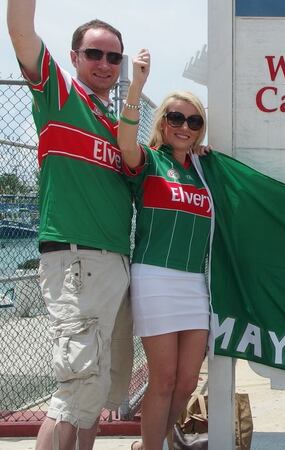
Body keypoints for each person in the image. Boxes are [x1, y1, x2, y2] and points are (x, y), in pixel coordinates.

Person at [7, 2, 134, 449]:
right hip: (76, 258)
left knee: (96, 392)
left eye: (113, 57)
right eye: (94, 54)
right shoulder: (60, 94)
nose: (104, 64)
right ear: (75, 56)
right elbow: (21, 31)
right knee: (75, 390)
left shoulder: (116, 124)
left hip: (114, 261)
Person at [117, 49, 213, 450]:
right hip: (154, 277)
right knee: (164, 378)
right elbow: (124, 143)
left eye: (193, 121)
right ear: (163, 122)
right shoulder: (150, 161)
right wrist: (136, 86)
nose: (184, 127)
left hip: (195, 282)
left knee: (188, 381)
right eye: (176, 118)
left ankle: (153, 443)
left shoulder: (205, 169)